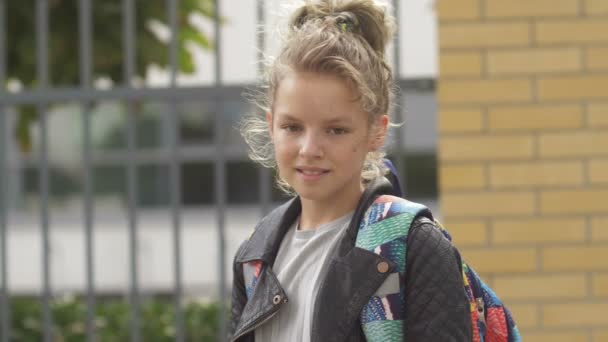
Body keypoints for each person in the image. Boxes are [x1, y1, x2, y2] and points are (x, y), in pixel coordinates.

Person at [230, 0, 471, 340]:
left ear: (377, 131)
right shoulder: (254, 255)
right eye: (292, 127)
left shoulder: (416, 245)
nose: (309, 149)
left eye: (336, 130)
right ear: (271, 126)